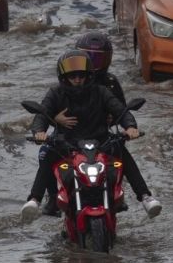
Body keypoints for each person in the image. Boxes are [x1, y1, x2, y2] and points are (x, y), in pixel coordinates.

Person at [21, 50, 161, 223]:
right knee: (47, 156)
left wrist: (131, 127)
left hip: (101, 143)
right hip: (67, 145)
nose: (77, 80)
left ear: (88, 75)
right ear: (64, 77)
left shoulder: (102, 91)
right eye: (73, 76)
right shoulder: (55, 93)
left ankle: (146, 197)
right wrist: (39, 132)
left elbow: (120, 110)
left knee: (122, 152)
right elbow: (42, 115)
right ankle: (35, 199)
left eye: (81, 75)